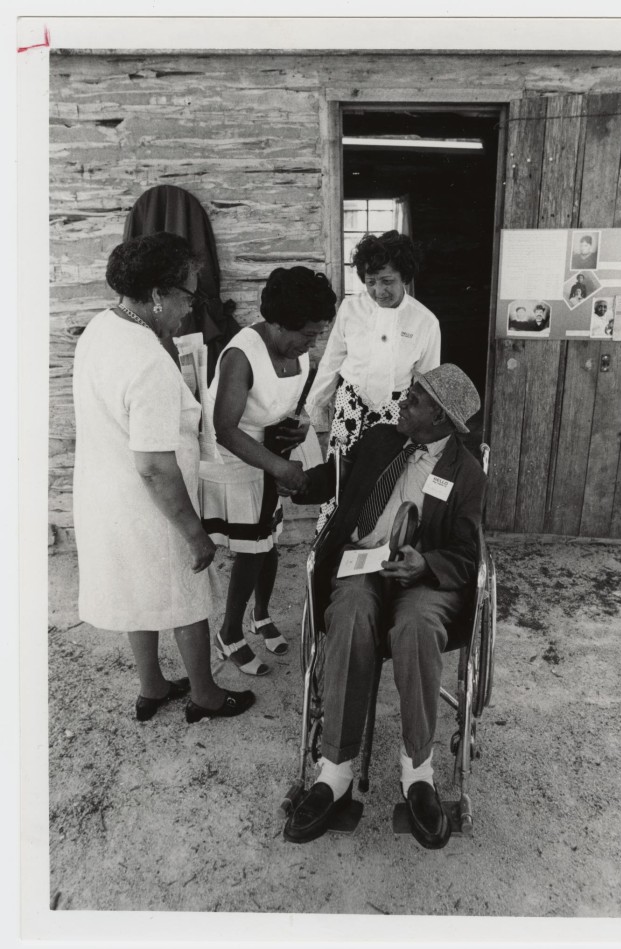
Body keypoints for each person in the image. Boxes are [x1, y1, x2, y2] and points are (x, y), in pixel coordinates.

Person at [282, 364, 486, 849]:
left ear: (440, 418)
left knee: (417, 626)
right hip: (361, 562)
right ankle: (335, 773)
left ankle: (418, 774)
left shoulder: (466, 474)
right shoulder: (379, 440)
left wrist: (426, 563)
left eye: (415, 397)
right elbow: (336, 477)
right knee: (350, 613)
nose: (404, 400)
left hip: (424, 577)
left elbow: (467, 554)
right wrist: (286, 477)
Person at [72, 232, 254, 724]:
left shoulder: (101, 329)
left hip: (110, 497)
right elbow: (154, 464)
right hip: (152, 502)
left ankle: (152, 686)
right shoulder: (147, 360)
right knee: (186, 595)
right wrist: (195, 534)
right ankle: (206, 696)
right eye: (187, 297)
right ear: (157, 296)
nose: (190, 310)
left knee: (140, 590)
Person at [199, 267, 337, 676]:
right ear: (279, 323)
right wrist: (278, 465)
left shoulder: (295, 348)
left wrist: (302, 426)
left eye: (317, 334)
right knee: (252, 548)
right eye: (308, 334)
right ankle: (228, 633)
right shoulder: (242, 355)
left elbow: (290, 402)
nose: (313, 342)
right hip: (237, 457)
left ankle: (260, 614)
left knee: (270, 539)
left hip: (272, 451)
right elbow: (224, 428)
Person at [305, 230, 441, 527]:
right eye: (370, 282)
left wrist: (422, 429)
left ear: (404, 276)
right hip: (351, 404)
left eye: (387, 281)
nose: (378, 290)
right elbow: (332, 360)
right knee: (340, 475)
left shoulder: (425, 321)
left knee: (382, 481)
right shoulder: (351, 309)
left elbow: (428, 383)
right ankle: (332, 541)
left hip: (396, 412)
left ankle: (373, 546)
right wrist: (313, 408)